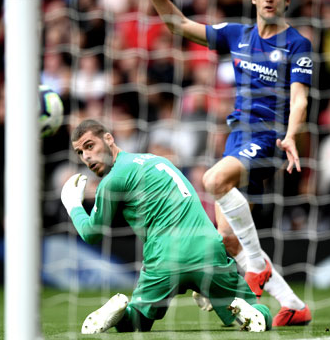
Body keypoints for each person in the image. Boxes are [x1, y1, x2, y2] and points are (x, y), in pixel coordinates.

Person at [130, 0, 312, 326]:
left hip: (270, 136)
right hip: (237, 137)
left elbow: (300, 98)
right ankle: (293, 305)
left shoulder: (297, 44)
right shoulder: (236, 35)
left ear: (287, 1)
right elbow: (178, 24)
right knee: (226, 240)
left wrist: (293, 134)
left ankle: (256, 266)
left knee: (212, 179)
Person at [60, 119, 272, 333]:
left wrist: (73, 205)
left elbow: (91, 233)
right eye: (80, 152)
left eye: (89, 146)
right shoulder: (156, 160)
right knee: (257, 312)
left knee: (137, 323)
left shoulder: (112, 180)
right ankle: (246, 310)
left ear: (108, 138)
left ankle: (123, 313)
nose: (86, 156)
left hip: (164, 257)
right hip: (208, 249)